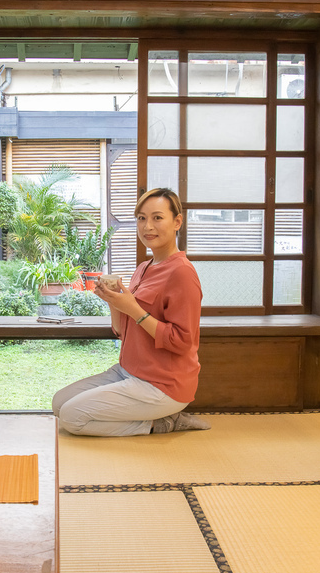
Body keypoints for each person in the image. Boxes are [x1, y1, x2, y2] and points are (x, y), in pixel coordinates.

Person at [51, 187, 210, 436]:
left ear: (177, 221)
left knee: (72, 418)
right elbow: (121, 331)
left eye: (157, 218)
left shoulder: (182, 273)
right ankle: (157, 419)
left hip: (162, 384)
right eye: (141, 218)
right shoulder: (143, 268)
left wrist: (133, 309)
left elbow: (182, 342)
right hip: (128, 371)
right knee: (59, 403)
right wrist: (113, 300)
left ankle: (163, 423)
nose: (147, 227)